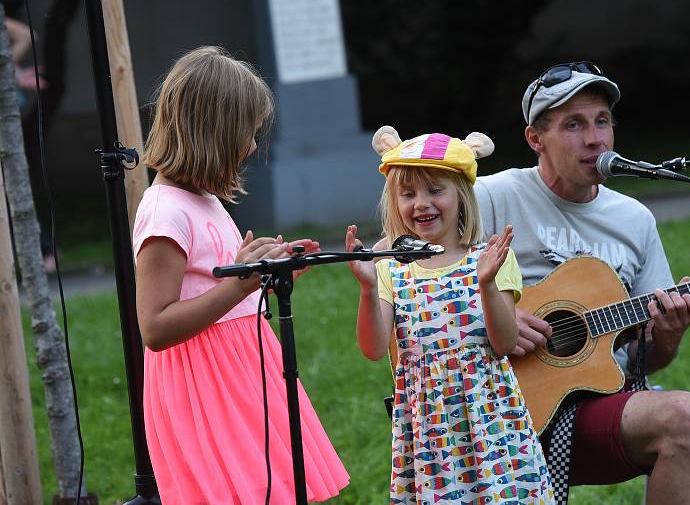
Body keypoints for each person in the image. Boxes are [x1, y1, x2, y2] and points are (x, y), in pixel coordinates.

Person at [474, 61, 690, 504]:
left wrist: (666, 335)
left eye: (603, 121)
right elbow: (408, 264)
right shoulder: (493, 196)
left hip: (610, 402)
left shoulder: (633, 218)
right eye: (574, 125)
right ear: (535, 139)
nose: (595, 138)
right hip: (504, 413)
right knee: (683, 416)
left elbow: (645, 360)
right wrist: (494, 314)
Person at [132, 46, 349, 504]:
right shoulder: (163, 210)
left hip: (244, 371)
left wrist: (266, 271)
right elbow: (154, 327)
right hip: (203, 387)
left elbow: (223, 288)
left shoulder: (205, 199)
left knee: (272, 489)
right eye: (246, 134)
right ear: (212, 133)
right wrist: (238, 286)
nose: (252, 146)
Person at [345, 126, 555, 505]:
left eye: (434, 190)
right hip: (429, 431)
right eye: (407, 194)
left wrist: (487, 285)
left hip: (490, 419)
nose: (420, 203)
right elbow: (374, 348)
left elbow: (505, 343)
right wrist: (365, 288)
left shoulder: (488, 259)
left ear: (460, 195)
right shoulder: (392, 267)